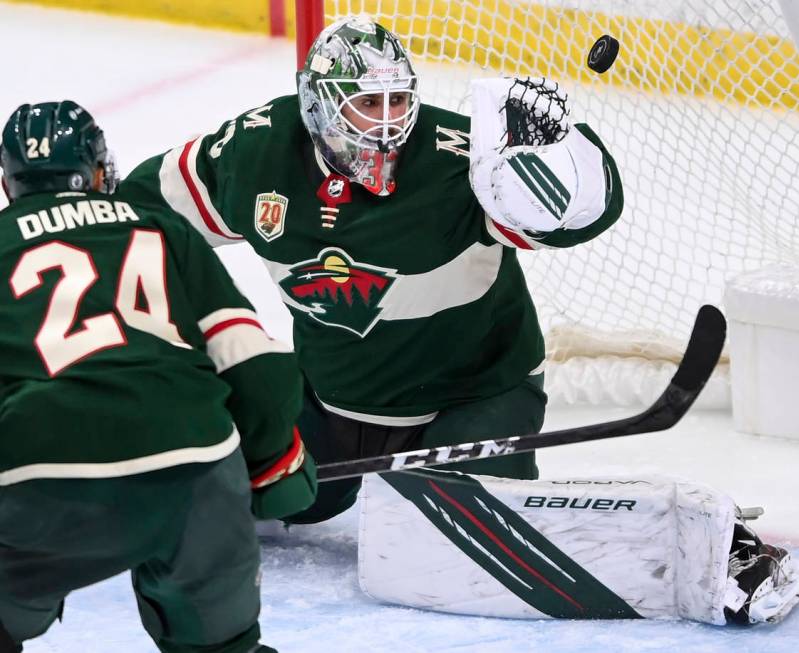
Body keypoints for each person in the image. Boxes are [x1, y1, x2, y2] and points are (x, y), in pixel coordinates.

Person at [120, 15, 623, 525]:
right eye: (367, 103)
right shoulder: (258, 153)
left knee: (457, 528)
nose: (388, 122)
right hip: (332, 398)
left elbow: (581, 217)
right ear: (318, 106)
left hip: (471, 398)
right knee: (274, 498)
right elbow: (142, 211)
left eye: (397, 100)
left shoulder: (462, 163)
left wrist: (562, 164)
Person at [0, 101, 316, 653]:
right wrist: (273, 462)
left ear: (8, 183)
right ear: (99, 172)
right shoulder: (159, 227)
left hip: (43, 468)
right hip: (193, 463)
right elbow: (252, 362)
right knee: (222, 646)